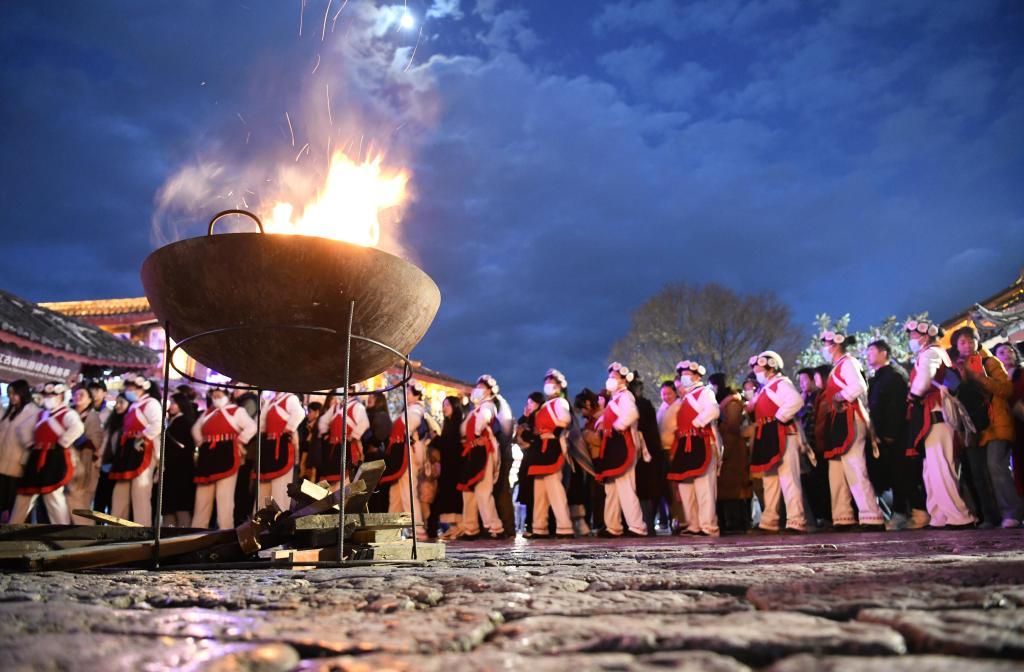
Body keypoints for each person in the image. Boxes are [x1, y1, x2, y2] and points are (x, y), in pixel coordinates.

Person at [905, 319, 975, 528]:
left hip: (936, 415)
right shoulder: (933, 353)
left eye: (913, 336)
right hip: (931, 417)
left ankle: (959, 516)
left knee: (941, 467)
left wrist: (913, 395)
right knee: (932, 470)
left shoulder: (931, 353)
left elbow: (925, 376)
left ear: (925, 336)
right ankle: (939, 515)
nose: (911, 340)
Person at [951, 326, 1022, 528]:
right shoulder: (955, 368)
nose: (967, 345)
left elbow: (1006, 389)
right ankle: (990, 517)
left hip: (996, 423)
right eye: (962, 342)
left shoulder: (990, 362)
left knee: (996, 465)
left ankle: (1012, 513)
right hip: (973, 428)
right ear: (956, 345)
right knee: (978, 473)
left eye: (971, 341)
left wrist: (980, 378)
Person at [819, 331, 885, 531]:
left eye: (826, 345)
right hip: (839, 420)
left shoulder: (848, 363)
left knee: (855, 467)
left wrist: (840, 396)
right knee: (838, 472)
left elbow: (859, 385)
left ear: (835, 346)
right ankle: (843, 517)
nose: (824, 349)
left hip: (850, 418)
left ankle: (871, 516)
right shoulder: (838, 366)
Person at [747, 351, 807, 533]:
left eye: (759, 369)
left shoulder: (781, 384)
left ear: (771, 368)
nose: (756, 373)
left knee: (789, 479)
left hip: (783, 434)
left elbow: (796, 401)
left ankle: (796, 520)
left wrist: (778, 418)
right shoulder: (765, 389)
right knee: (770, 480)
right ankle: (769, 521)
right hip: (768, 435)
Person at [10, 382, 82, 524]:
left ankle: (62, 530)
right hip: (36, 457)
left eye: (52, 396)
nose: (49, 399)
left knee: (53, 495)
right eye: (47, 396)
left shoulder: (68, 413)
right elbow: (23, 429)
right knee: (25, 493)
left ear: (62, 397)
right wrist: (30, 444)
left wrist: (62, 442)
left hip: (56, 457)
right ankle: (12, 526)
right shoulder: (41, 414)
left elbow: (77, 428)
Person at [191, 387, 256, 529]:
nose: (216, 397)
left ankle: (225, 529)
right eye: (214, 395)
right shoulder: (207, 412)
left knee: (224, 498)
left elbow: (251, 427)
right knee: (202, 498)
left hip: (227, 454)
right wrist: (201, 442)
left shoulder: (237, 411)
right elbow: (195, 429)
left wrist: (240, 441)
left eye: (219, 395)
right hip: (207, 456)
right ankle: (197, 530)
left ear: (227, 395)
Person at [595, 363, 648, 537]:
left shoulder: (625, 396)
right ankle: (612, 526)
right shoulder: (615, 399)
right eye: (610, 376)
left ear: (624, 380)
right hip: (613, 446)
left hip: (623, 445)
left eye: (614, 377)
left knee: (626, 487)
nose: (610, 380)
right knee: (611, 489)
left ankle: (637, 526)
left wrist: (618, 425)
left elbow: (632, 414)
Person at [668, 360, 720, 536]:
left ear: (697, 376)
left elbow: (713, 410)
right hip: (685, 444)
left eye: (688, 374)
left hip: (701, 441)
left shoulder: (704, 392)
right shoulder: (685, 398)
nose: (684, 378)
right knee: (686, 487)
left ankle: (708, 526)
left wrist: (697, 422)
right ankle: (693, 524)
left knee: (704, 487)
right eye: (682, 375)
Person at [456, 375, 505, 540]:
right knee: (468, 491)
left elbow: (483, 420)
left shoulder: (488, 406)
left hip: (484, 450)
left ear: (489, 391)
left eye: (481, 387)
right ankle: (470, 528)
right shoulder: (475, 410)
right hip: (473, 451)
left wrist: (476, 432)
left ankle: (495, 527)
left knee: (483, 490)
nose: (477, 390)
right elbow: (463, 430)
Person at [108, 376, 162, 525]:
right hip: (128, 450)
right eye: (128, 388)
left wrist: (143, 436)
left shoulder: (151, 403)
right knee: (120, 491)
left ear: (142, 388)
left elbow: (158, 424)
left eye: (131, 388)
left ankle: (142, 528)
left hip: (144, 449)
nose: (129, 391)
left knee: (140, 492)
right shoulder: (134, 405)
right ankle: (117, 527)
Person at [527, 369, 574, 538]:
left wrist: (553, 433)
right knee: (539, 492)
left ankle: (564, 527)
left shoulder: (560, 402)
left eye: (551, 382)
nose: (547, 385)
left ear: (560, 386)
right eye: (546, 381)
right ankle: (539, 527)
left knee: (555, 490)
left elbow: (565, 420)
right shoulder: (545, 406)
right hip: (541, 450)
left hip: (553, 448)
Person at [382, 382, 428, 539]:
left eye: (409, 392)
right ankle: (391, 530)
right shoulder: (410, 409)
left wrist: (404, 432)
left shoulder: (416, 410)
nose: (406, 394)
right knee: (396, 493)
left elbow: (410, 425)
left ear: (417, 395)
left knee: (408, 492)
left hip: (408, 454)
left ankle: (417, 529)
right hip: (400, 453)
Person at [709, 373, 751, 533]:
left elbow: (733, 428)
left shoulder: (732, 403)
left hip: (732, 451)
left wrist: (723, 451)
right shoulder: (722, 404)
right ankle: (728, 522)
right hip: (726, 449)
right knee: (725, 489)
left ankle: (737, 522)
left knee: (734, 489)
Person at [258, 390, 304, 510]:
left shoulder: (290, 398)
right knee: (263, 489)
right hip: (269, 446)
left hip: (282, 446)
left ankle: (280, 517)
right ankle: (261, 517)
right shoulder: (270, 401)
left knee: (280, 488)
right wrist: (263, 432)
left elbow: (299, 413)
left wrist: (288, 430)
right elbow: (261, 423)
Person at [0, 380, 39, 521]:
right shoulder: (9, 410)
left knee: (14, 503)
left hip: (18, 465)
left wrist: (25, 461)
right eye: (9, 394)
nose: (11, 397)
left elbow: (31, 440)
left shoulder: (33, 412)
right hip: (3, 461)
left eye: (14, 394)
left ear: (23, 393)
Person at [796, 367, 830, 528]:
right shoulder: (805, 398)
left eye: (804, 380)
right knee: (811, 484)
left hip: (817, 445)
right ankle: (818, 516)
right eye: (800, 381)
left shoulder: (819, 398)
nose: (802, 384)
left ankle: (826, 516)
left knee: (821, 482)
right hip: (808, 445)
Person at [66, 385, 104, 524]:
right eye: (76, 394)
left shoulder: (93, 417)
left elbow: (95, 442)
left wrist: (74, 437)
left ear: (89, 400)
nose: (78, 397)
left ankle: (83, 528)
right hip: (67, 460)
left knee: (81, 499)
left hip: (84, 462)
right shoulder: (68, 413)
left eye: (82, 394)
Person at [317, 391, 369, 490]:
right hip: (334, 449)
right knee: (332, 481)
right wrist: (325, 434)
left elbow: (364, 423)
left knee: (347, 481)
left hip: (349, 447)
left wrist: (353, 436)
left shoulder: (358, 406)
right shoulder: (336, 407)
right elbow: (323, 421)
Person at [992, 341, 1024, 498]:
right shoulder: (996, 381)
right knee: (1018, 462)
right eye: (1001, 352)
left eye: (1010, 351)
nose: (1007, 354)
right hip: (1009, 425)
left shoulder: (1022, 373)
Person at [161, 392, 196, 527]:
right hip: (173, 469)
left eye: (174, 403)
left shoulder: (184, 422)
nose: (171, 406)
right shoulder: (172, 421)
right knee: (171, 505)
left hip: (181, 469)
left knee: (180, 504)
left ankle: (182, 531)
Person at [433, 396, 465, 540]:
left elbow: (451, 445)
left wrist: (436, 439)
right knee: (447, 495)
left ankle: (460, 526)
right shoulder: (447, 424)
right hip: (447, 466)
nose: (444, 408)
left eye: (447, 405)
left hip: (456, 467)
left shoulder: (459, 424)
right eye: (443, 405)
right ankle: (453, 527)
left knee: (454, 495)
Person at [514, 391, 545, 536]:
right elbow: (519, 437)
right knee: (528, 494)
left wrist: (525, 432)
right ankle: (530, 524)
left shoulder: (540, 418)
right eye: (528, 403)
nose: (529, 406)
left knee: (535, 494)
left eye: (531, 403)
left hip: (536, 459)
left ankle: (535, 525)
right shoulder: (527, 420)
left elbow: (531, 437)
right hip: (527, 460)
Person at [94, 394, 130, 515]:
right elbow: (105, 441)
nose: (118, 406)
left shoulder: (129, 422)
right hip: (106, 466)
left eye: (121, 402)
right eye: (117, 402)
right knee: (100, 501)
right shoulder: (112, 420)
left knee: (113, 502)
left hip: (119, 468)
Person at [296, 401, 322, 483]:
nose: (308, 414)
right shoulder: (307, 424)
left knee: (312, 473)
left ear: (317, 412)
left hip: (313, 455)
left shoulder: (320, 426)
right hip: (306, 453)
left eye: (310, 412)